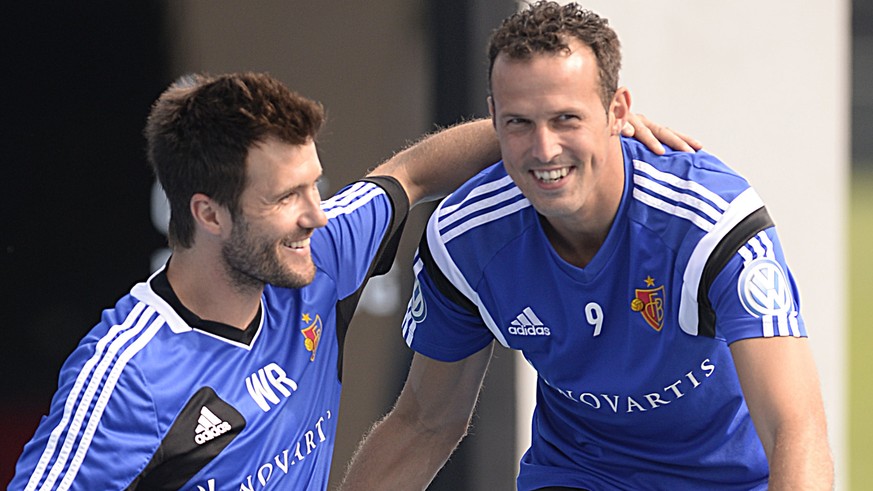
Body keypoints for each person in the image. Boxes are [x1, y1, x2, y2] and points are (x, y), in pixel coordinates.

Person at [8, 72, 688, 490]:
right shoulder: (129, 374)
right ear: (208, 213)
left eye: (316, 186)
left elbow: (416, 169)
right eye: (284, 198)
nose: (314, 215)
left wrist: (587, 135)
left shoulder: (318, 257)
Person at [340, 3, 834, 490]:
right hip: (580, 474)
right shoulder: (466, 238)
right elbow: (425, 423)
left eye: (566, 119)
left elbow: (794, 427)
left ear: (617, 111)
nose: (545, 149)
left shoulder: (710, 223)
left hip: (732, 481)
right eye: (519, 123)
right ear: (492, 118)